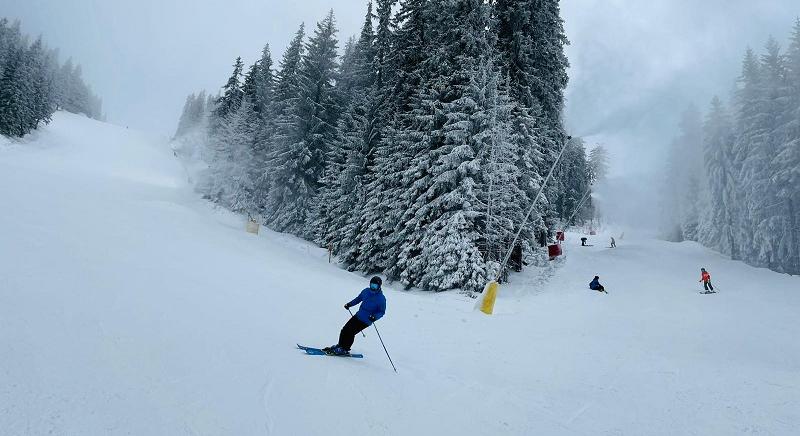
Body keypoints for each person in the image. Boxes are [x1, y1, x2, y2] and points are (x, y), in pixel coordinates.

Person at [324, 276, 387, 356]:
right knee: (344, 330)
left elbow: (381, 312)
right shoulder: (366, 291)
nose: (373, 287)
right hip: (358, 315)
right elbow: (358, 299)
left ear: (379, 286)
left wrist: (374, 317)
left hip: (366, 320)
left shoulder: (381, 299)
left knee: (351, 332)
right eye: (372, 285)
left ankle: (345, 349)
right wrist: (350, 304)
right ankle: (340, 345)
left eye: (375, 286)